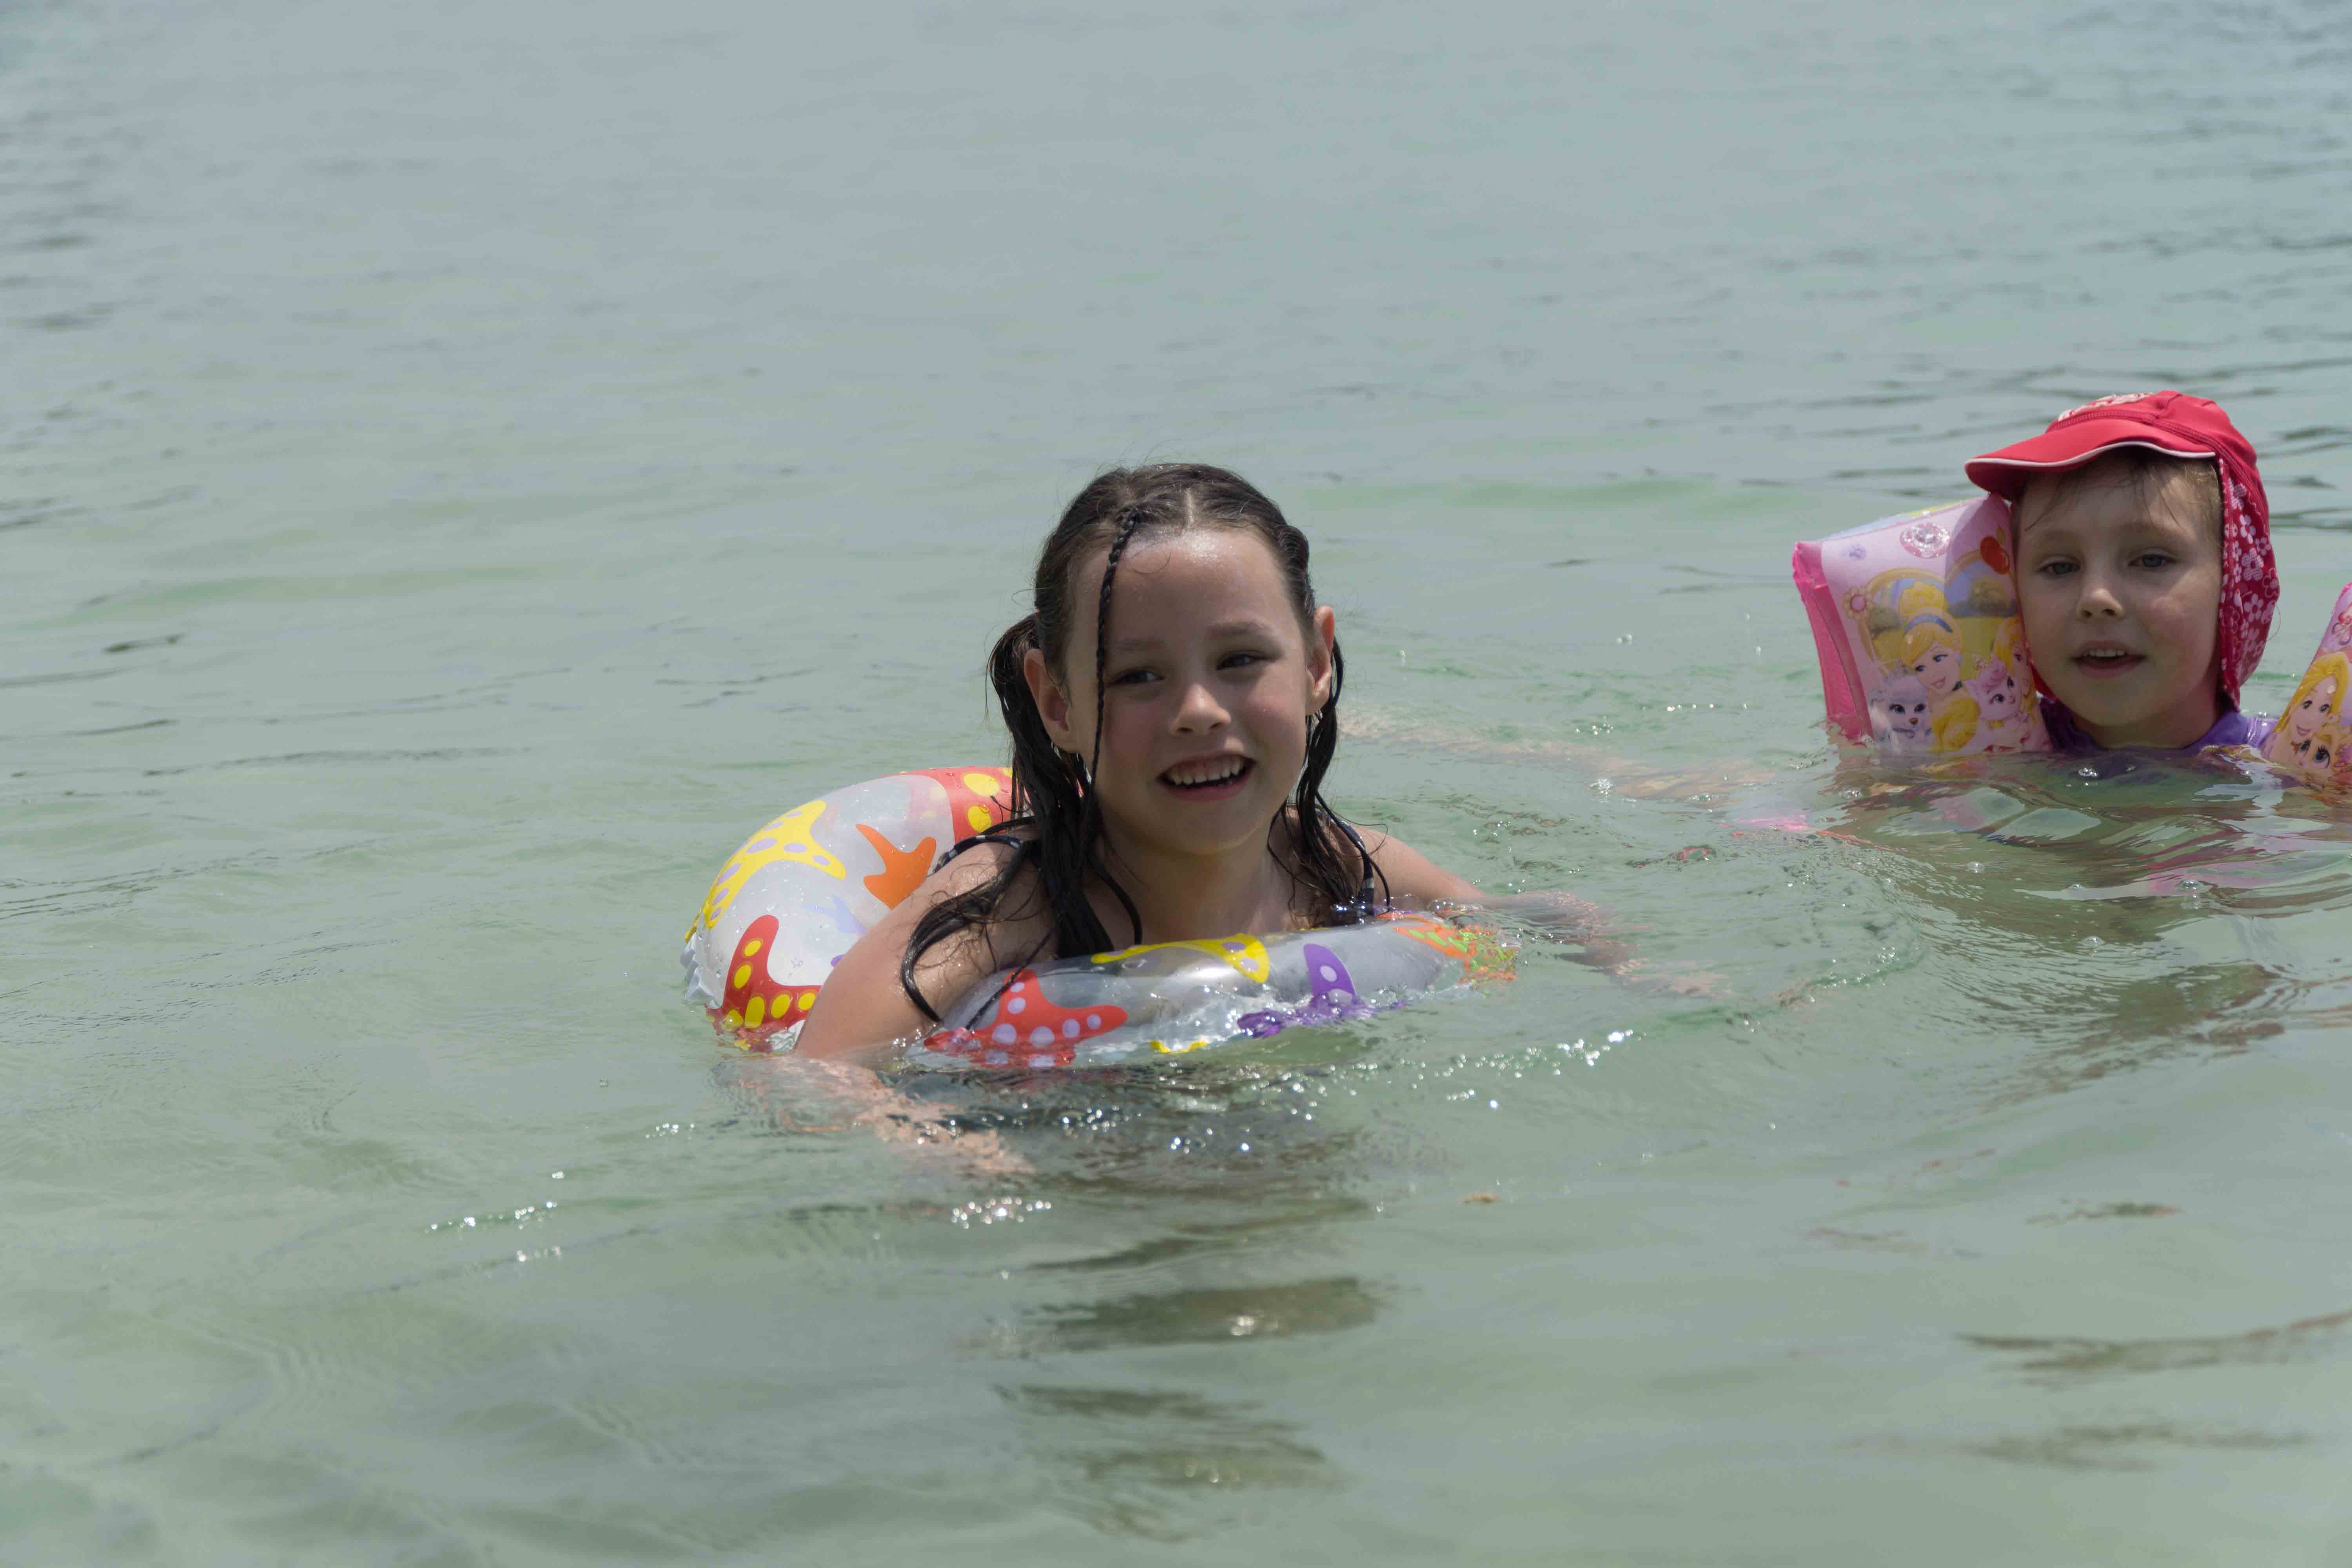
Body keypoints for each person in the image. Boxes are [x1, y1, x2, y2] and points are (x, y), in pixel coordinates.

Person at [794, 464, 1496, 1060]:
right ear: (1058, 702)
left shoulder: (1333, 866)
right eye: (1138, 676)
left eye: (1240, 660)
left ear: (1315, 662)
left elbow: (1515, 928)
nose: (1199, 710)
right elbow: (821, 1076)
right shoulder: (1006, 911)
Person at [1962, 390, 2278, 753]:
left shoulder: (2298, 763)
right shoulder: (1962, 748)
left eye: (2151, 560)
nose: (2096, 598)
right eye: (2060, 567)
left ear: (2235, 585)